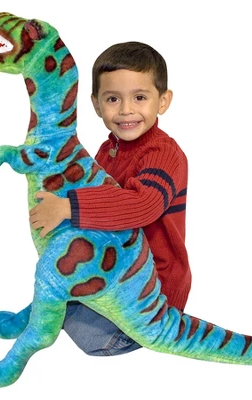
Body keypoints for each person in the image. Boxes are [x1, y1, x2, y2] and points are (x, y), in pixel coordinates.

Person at [29, 41, 192, 356]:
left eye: (140, 97)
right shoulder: (108, 149)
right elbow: (97, 193)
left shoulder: (164, 154)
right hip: (115, 267)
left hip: (152, 286)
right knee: (54, 290)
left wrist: (68, 207)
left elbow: (143, 206)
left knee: (86, 337)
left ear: (163, 101)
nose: (126, 109)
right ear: (96, 104)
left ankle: (131, 333)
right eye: (113, 99)